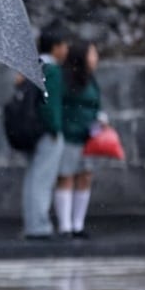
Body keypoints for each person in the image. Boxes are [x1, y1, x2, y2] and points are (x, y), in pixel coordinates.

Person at [21, 23, 70, 240]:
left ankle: (33, 222)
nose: (67, 50)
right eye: (64, 45)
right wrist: (55, 128)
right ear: (56, 47)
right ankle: (39, 225)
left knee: (34, 178)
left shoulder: (35, 66)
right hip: (46, 132)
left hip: (32, 130)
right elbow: (50, 105)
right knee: (43, 179)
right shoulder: (53, 71)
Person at [55, 40, 102, 238]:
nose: (95, 58)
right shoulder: (66, 79)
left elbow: (96, 104)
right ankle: (65, 226)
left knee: (85, 177)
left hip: (88, 137)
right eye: (92, 54)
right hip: (69, 135)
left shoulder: (91, 80)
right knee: (66, 177)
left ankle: (77, 224)